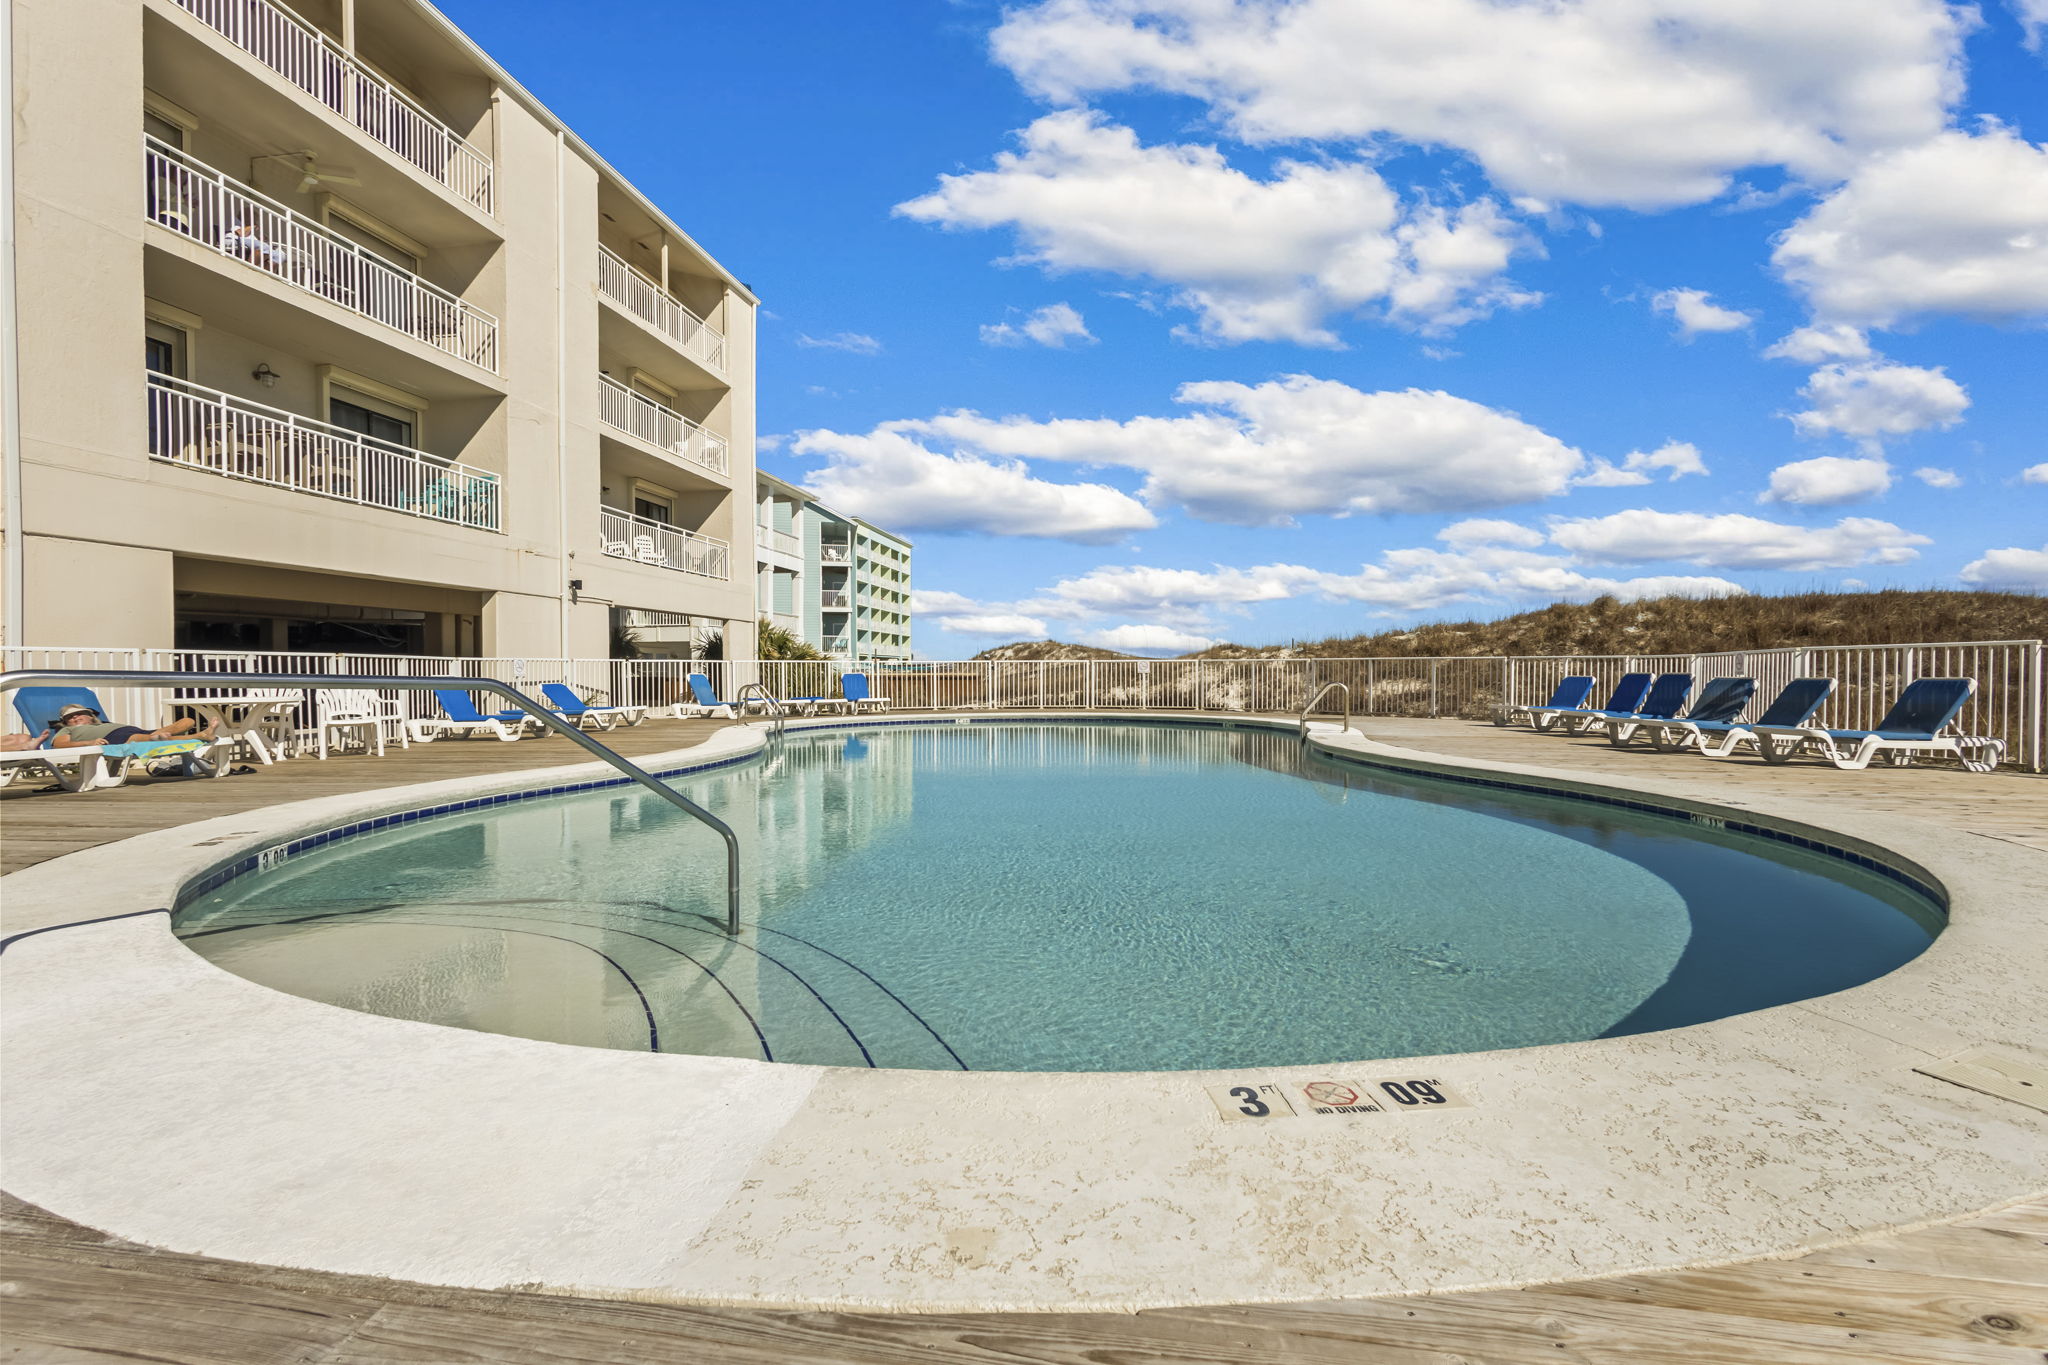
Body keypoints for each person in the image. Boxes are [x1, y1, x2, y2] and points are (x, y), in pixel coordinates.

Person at [47, 703, 214, 749]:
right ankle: (198, 736)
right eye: (69, 717)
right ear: (65, 722)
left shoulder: (104, 723)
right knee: (143, 738)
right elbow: (59, 744)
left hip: (132, 730)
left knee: (188, 721)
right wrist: (90, 743)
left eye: (79, 714)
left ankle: (156, 737)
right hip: (112, 738)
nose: (75, 717)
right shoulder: (67, 729)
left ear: (91, 716)